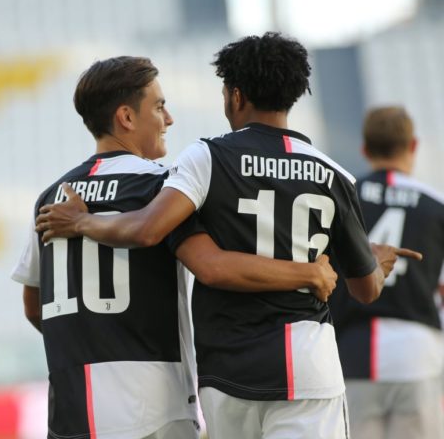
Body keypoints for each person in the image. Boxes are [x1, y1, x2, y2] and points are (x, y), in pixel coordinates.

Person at [36, 34, 421, 439]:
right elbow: (365, 289)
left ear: (236, 96)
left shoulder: (206, 159)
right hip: (308, 366)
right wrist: (372, 264)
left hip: (227, 373)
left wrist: (82, 222)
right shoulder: (334, 174)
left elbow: (161, 236)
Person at [329, 106, 444, 439]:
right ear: (413, 145)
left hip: (350, 354)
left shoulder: (342, 197)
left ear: (365, 149)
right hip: (417, 356)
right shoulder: (436, 206)